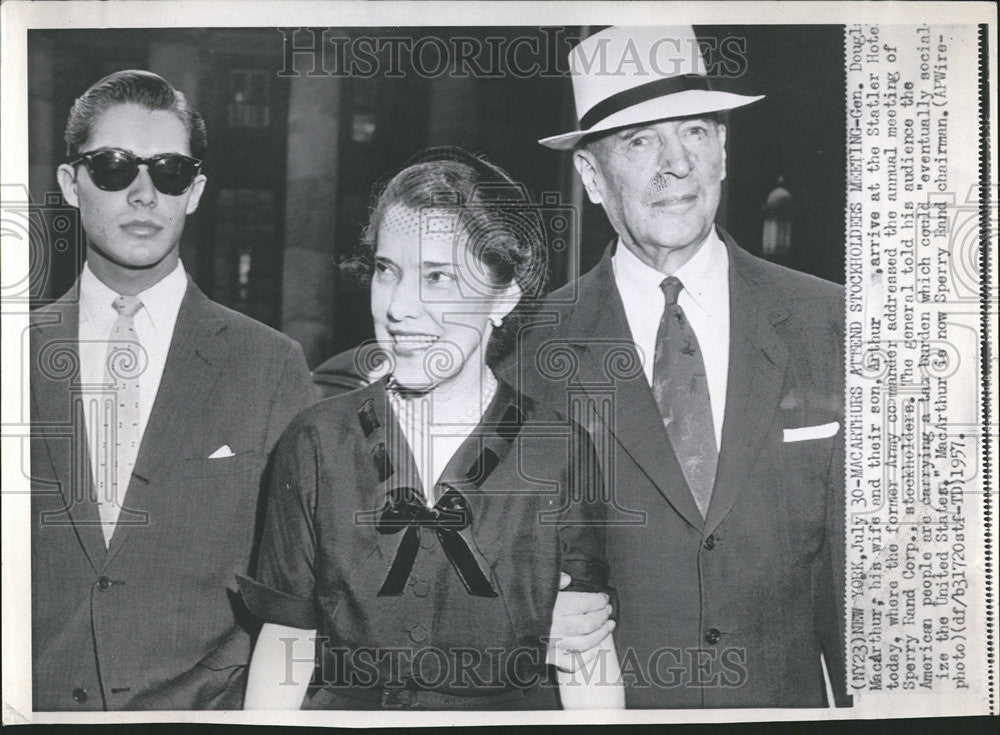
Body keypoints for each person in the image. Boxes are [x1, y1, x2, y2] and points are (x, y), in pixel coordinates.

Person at [514, 26, 849, 707]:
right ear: (590, 175)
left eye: (695, 132)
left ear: (723, 150)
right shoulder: (526, 352)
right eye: (639, 141)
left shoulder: (833, 324)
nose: (676, 165)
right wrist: (523, 620)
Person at [238, 147, 624, 710]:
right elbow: (286, 641)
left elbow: (587, 650)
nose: (399, 307)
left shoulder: (559, 451)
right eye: (387, 271)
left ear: (505, 294)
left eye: (437, 276)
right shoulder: (316, 441)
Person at [30, 70, 315, 710]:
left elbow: (301, 591)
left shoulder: (270, 366)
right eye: (111, 167)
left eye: (169, 171)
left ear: (194, 192)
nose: (142, 193)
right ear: (70, 185)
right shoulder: (12, 355)